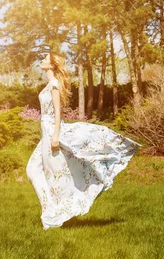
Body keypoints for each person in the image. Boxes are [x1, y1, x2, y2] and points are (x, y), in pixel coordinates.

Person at [26, 50, 141, 230]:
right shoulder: (50, 84)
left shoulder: (54, 85)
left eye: (45, 59)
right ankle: (51, 210)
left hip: (51, 132)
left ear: (52, 65)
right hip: (46, 132)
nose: (41, 60)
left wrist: (55, 136)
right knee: (32, 169)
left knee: (54, 174)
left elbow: (58, 113)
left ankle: (54, 214)